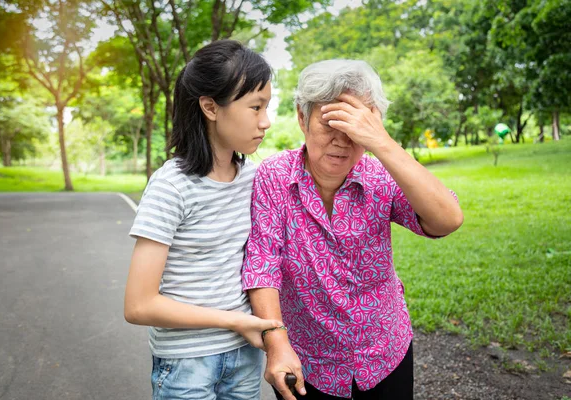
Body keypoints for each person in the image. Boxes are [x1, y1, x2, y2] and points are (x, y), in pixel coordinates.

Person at [243, 59, 464, 400]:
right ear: (302, 119)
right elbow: (263, 263)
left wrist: (382, 143)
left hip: (384, 356)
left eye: (355, 127)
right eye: (330, 123)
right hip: (308, 364)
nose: (342, 140)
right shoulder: (274, 177)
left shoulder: (380, 175)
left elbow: (447, 220)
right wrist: (276, 342)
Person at [124, 39, 281, 400]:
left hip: (244, 357)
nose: (266, 121)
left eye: (267, 107)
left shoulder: (252, 177)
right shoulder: (171, 186)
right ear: (210, 107)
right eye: (255, 107)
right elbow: (138, 305)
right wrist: (234, 320)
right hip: (186, 362)